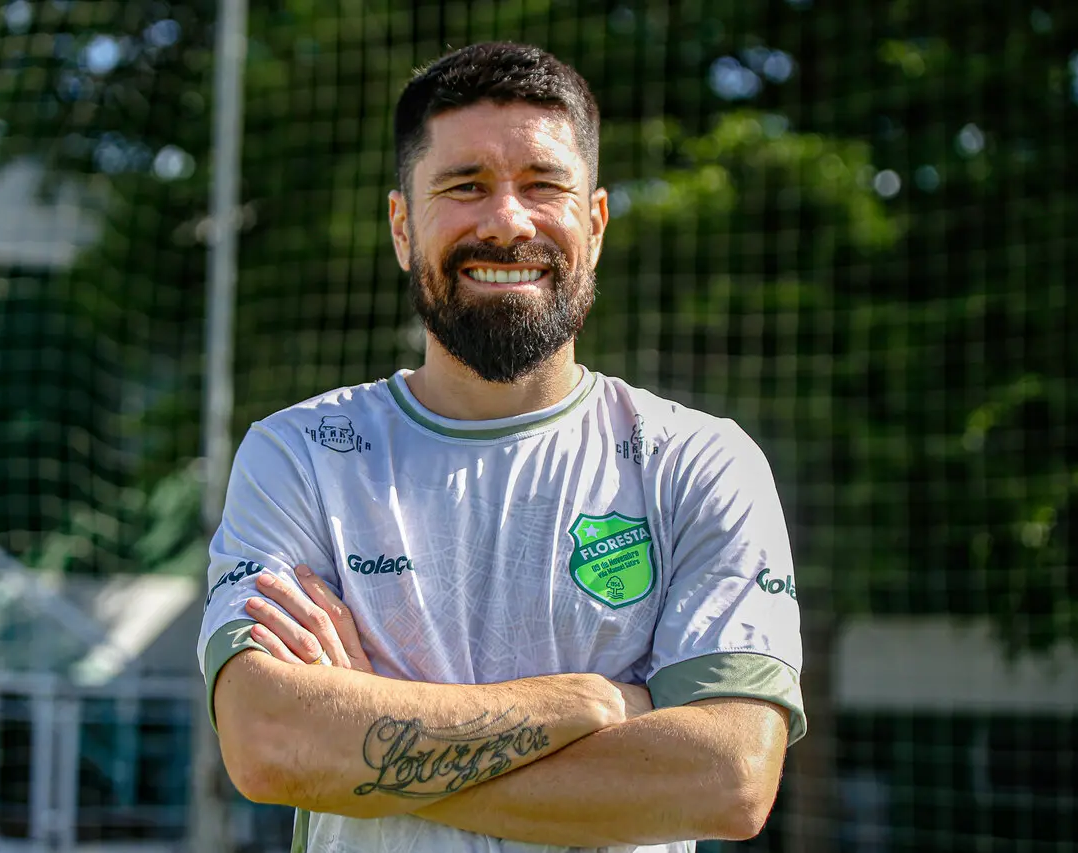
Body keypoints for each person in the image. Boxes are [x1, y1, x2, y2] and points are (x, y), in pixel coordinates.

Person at [198, 41, 806, 853]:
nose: (507, 221)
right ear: (402, 227)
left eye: (544, 185)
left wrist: (364, 742)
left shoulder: (700, 462)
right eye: (465, 186)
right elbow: (270, 741)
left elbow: (727, 779)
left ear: (594, 224)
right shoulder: (299, 455)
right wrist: (587, 704)